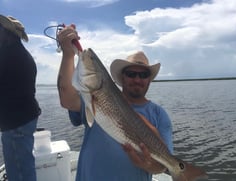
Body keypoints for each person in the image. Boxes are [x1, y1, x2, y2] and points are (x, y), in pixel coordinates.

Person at [57, 25, 173, 181]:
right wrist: (68, 54)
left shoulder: (159, 115)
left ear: (149, 79)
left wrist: (146, 164)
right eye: (131, 73)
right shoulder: (91, 99)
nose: (137, 79)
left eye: (143, 74)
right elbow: (67, 99)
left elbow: (163, 165)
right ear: (122, 76)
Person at [0, 15, 41, 181]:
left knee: (20, 173)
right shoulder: (19, 54)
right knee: (23, 167)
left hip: (16, 124)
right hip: (23, 120)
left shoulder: (8, 56)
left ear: (5, 32)